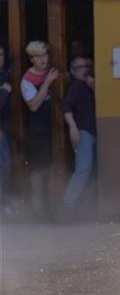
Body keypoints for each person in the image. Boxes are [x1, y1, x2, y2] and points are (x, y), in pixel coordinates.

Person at [21, 41, 59, 218]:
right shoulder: (26, 80)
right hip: (37, 129)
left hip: (54, 128)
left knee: (51, 166)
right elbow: (34, 106)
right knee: (37, 169)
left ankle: (50, 205)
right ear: (31, 59)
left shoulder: (52, 72)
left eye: (45, 55)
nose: (43, 59)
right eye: (39, 56)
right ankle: (36, 207)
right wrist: (47, 82)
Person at [61, 56, 97, 212]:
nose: (85, 69)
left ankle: (84, 206)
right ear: (72, 70)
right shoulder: (75, 86)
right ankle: (68, 206)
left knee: (88, 170)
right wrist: (73, 128)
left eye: (87, 65)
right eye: (81, 66)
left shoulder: (87, 85)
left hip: (90, 132)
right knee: (83, 170)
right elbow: (66, 107)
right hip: (83, 132)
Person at [0, 45, 12, 218]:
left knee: (6, 166)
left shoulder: (5, 75)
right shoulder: (5, 83)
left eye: (1, 54)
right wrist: (4, 92)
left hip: (6, 130)